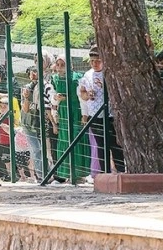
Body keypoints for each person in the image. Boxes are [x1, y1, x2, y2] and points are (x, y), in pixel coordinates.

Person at [79, 45, 124, 180]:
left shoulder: (110, 73)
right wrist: (88, 95)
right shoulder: (87, 75)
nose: (95, 64)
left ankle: (121, 170)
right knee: (100, 145)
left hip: (110, 114)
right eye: (92, 61)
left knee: (114, 144)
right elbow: (82, 92)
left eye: (98, 61)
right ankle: (105, 173)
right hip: (95, 115)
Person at [52, 56, 90, 182]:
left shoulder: (77, 77)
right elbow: (51, 98)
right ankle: (67, 173)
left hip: (75, 111)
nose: (60, 67)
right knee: (64, 140)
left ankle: (79, 173)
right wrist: (56, 99)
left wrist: (67, 98)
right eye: (58, 64)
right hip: (63, 113)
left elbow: (81, 94)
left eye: (63, 64)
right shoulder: (55, 78)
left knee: (77, 140)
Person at [20, 66, 44, 181]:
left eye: (36, 71)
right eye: (31, 72)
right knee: (36, 149)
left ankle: (48, 172)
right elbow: (25, 109)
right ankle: (41, 175)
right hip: (29, 124)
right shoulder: (26, 88)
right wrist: (26, 97)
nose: (33, 74)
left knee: (45, 149)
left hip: (41, 123)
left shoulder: (44, 86)